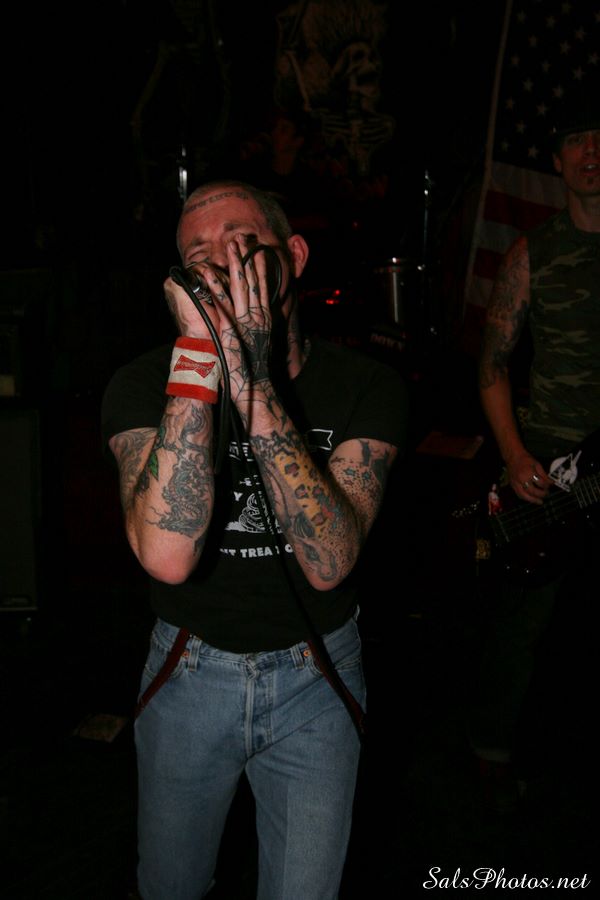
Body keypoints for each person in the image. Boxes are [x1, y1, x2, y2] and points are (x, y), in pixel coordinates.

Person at [101, 179, 408, 899]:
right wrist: (200, 361)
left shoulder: (368, 386)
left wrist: (251, 381)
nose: (218, 268)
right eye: (197, 258)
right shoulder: (142, 384)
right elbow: (166, 556)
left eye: (240, 245)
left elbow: (330, 562)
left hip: (317, 675)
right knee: (171, 885)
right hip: (189, 668)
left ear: (292, 256)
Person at [470, 95, 600, 812]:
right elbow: (492, 365)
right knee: (525, 619)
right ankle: (493, 749)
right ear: (557, 161)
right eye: (577, 140)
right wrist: (517, 454)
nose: (591, 152)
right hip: (551, 463)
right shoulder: (532, 253)